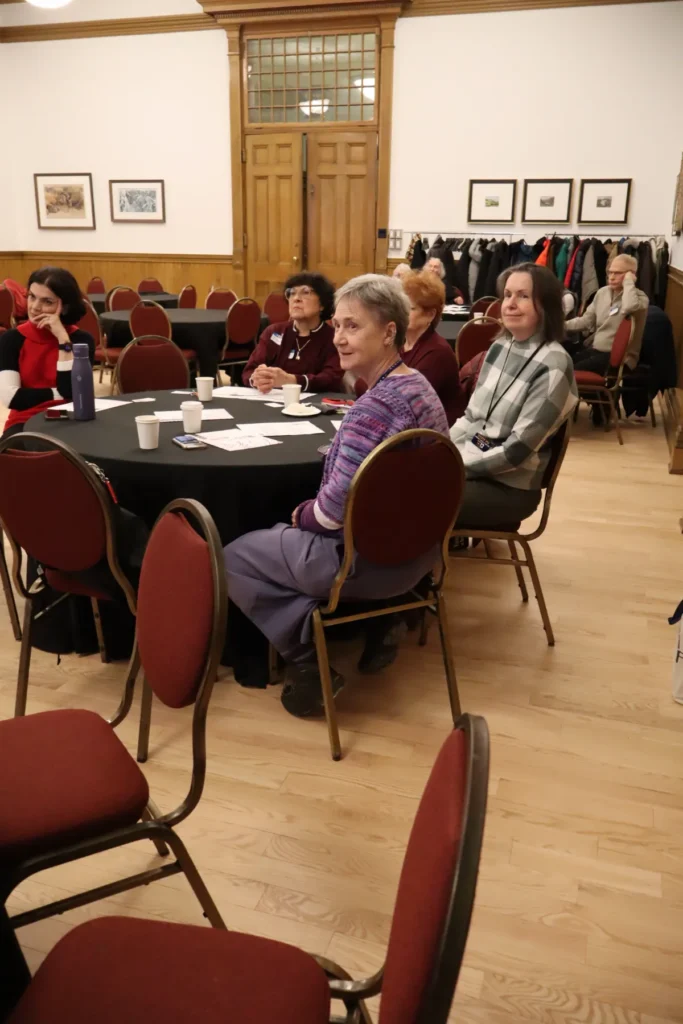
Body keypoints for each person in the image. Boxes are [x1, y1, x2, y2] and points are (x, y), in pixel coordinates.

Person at [225, 274, 448, 717]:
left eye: (353, 326)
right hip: (418, 557)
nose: (340, 338)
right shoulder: (418, 386)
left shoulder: (375, 408)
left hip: (363, 563)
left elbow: (329, 514)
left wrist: (299, 514)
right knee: (280, 547)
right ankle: (343, 628)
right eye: (338, 326)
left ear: (389, 332)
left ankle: (309, 664)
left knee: (234, 554)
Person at [450, 263, 578, 529]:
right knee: (408, 475)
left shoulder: (553, 364)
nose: (510, 304)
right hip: (473, 461)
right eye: (507, 294)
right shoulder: (499, 347)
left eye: (523, 296)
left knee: (413, 494)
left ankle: (417, 568)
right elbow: (471, 418)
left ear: (547, 305)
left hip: (509, 486)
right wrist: (441, 451)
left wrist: (456, 467)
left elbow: (516, 452)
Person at [354, 270, 465, 425]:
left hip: (430, 438)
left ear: (430, 315)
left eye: (410, 308)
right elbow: (361, 385)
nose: (401, 313)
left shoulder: (437, 353)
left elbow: (402, 402)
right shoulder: (400, 343)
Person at [0, 267, 94, 438]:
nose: (35, 307)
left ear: (64, 307)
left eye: (47, 301)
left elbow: (71, 390)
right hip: (24, 420)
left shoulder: (82, 340)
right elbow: (11, 398)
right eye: (31, 296)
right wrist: (56, 393)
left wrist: (63, 339)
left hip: (72, 418)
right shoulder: (11, 339)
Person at [242, 272, 343, 394]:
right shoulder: (273, 332)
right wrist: (257, 380)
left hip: (314, 406)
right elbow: (249, 371)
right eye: (292, 293)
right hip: (271, 399)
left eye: (306, 293)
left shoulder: (334, 337)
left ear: (322, 304)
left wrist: (291, 380)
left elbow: (331, 379)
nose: (296, 298)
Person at [565, 254, 649, 376]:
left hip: (620, 359)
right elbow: (586, 321)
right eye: (610, 272)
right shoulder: (602, 293)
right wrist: (558, 325)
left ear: (631, 275)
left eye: (618, 273)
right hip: (596, 350)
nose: (612, 277)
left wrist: (629, 282)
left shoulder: (640, 298)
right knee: (564, 364)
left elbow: (628, 307)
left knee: (568, 374)